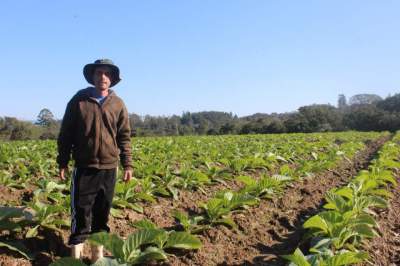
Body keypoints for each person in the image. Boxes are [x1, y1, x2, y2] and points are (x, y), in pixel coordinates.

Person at [57, 59, 133, 262]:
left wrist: (128, 164)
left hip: (109, 168)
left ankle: (97, 258)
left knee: (102, 215)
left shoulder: (118, 104)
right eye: (99, 73)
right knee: (81, 214)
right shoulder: (79, 100)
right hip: (84, 168)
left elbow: (124, 136)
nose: (103, 77)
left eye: (107, 74)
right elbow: (66, 133)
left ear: (113, 79)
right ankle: (76, 258)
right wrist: (62, 162)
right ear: (92, 76)